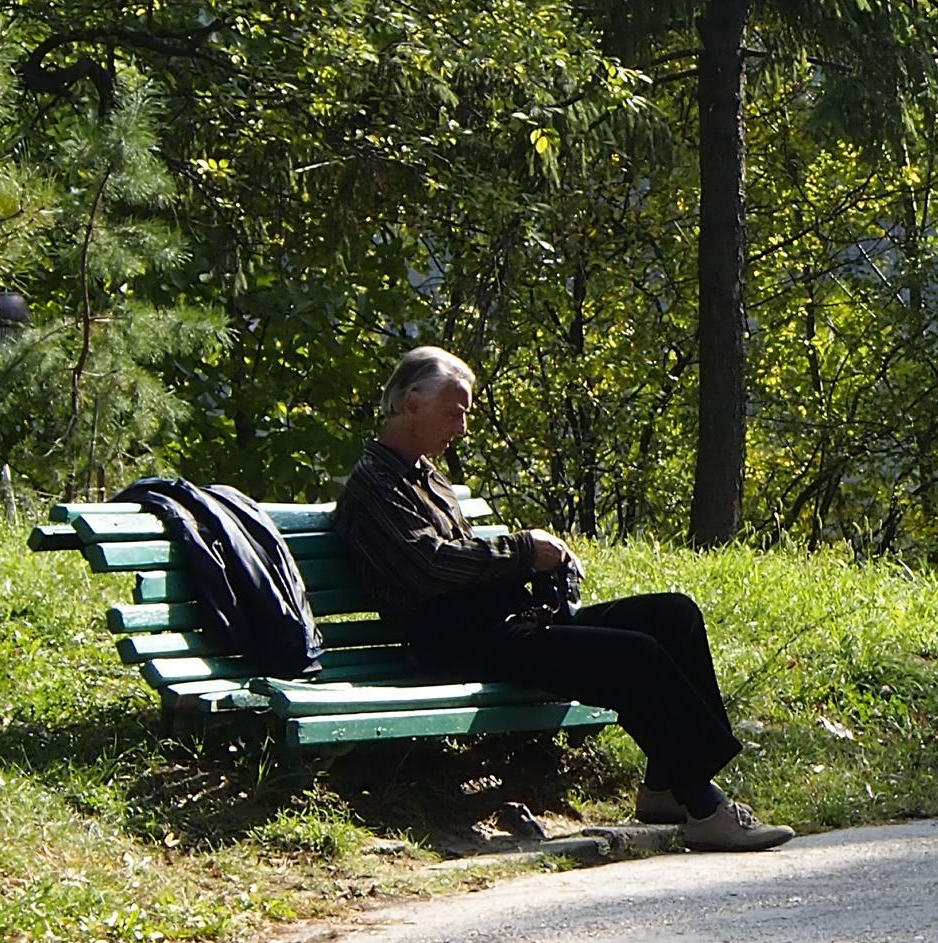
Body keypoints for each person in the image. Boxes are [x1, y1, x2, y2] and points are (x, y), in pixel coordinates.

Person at [337, 347, 794, 853]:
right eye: (455, 411)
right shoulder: (374, 485)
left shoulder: (426, 476)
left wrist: (534, 564)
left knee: (672, 615)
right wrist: (525, 550)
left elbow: (464, 559)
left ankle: (663, 788)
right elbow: (431, 567)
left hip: (498, 623)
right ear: (413, 403)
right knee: (634, 655)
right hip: (453, 640)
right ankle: (705, 807)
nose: (462, 427)